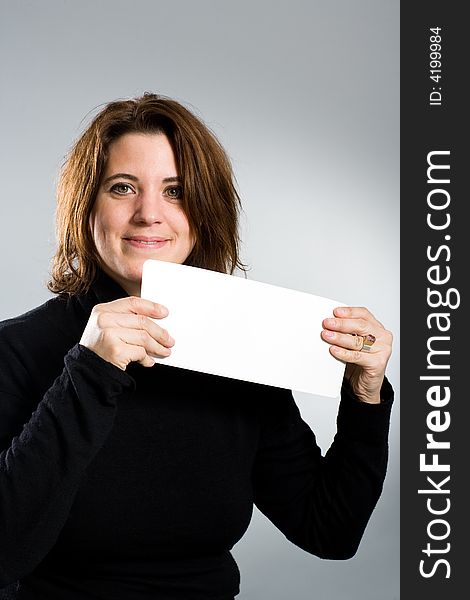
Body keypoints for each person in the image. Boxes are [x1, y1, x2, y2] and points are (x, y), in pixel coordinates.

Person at [0, 93, 394, 600]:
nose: (149, 214)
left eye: (176, 191)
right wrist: (90, 371)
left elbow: (329, 532)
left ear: (204, 212)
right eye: (123, 188)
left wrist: (365, 396)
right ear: (86, 207)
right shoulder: (16, 349)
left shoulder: (240, 349)